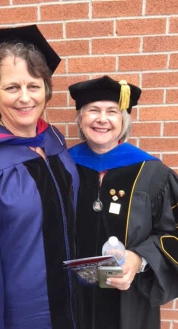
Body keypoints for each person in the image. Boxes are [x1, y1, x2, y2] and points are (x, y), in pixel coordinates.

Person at [0, 24, 79, 329]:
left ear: (46, 90)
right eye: (12, 87)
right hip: (18, 314)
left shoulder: (54, 142)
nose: (25, 98)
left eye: (34, 85)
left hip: (72, 304)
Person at [68, 75, 178, 329]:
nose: (102, 119)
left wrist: (139, 259)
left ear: (123, 120)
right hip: (71, 297)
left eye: (112, 112)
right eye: (93, 110)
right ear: (80, 118)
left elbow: (172, 232)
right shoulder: (62, 167)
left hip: (130, 300)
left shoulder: (152, 174)